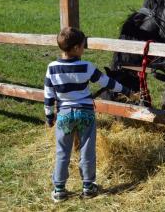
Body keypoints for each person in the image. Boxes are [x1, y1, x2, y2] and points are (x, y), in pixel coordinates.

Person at [44, 27, 131, 202]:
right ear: (76, 48)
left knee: (62, 151)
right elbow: (107, 82)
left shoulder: (52, 68)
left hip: (64, 115)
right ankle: (88, 186)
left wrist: (49, 116)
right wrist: (126, 90)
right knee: (87, 150)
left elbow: (48, 94)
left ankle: (59, 189)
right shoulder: (87, 67)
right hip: (85, 113)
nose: (84, 48)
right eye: (83, 45)